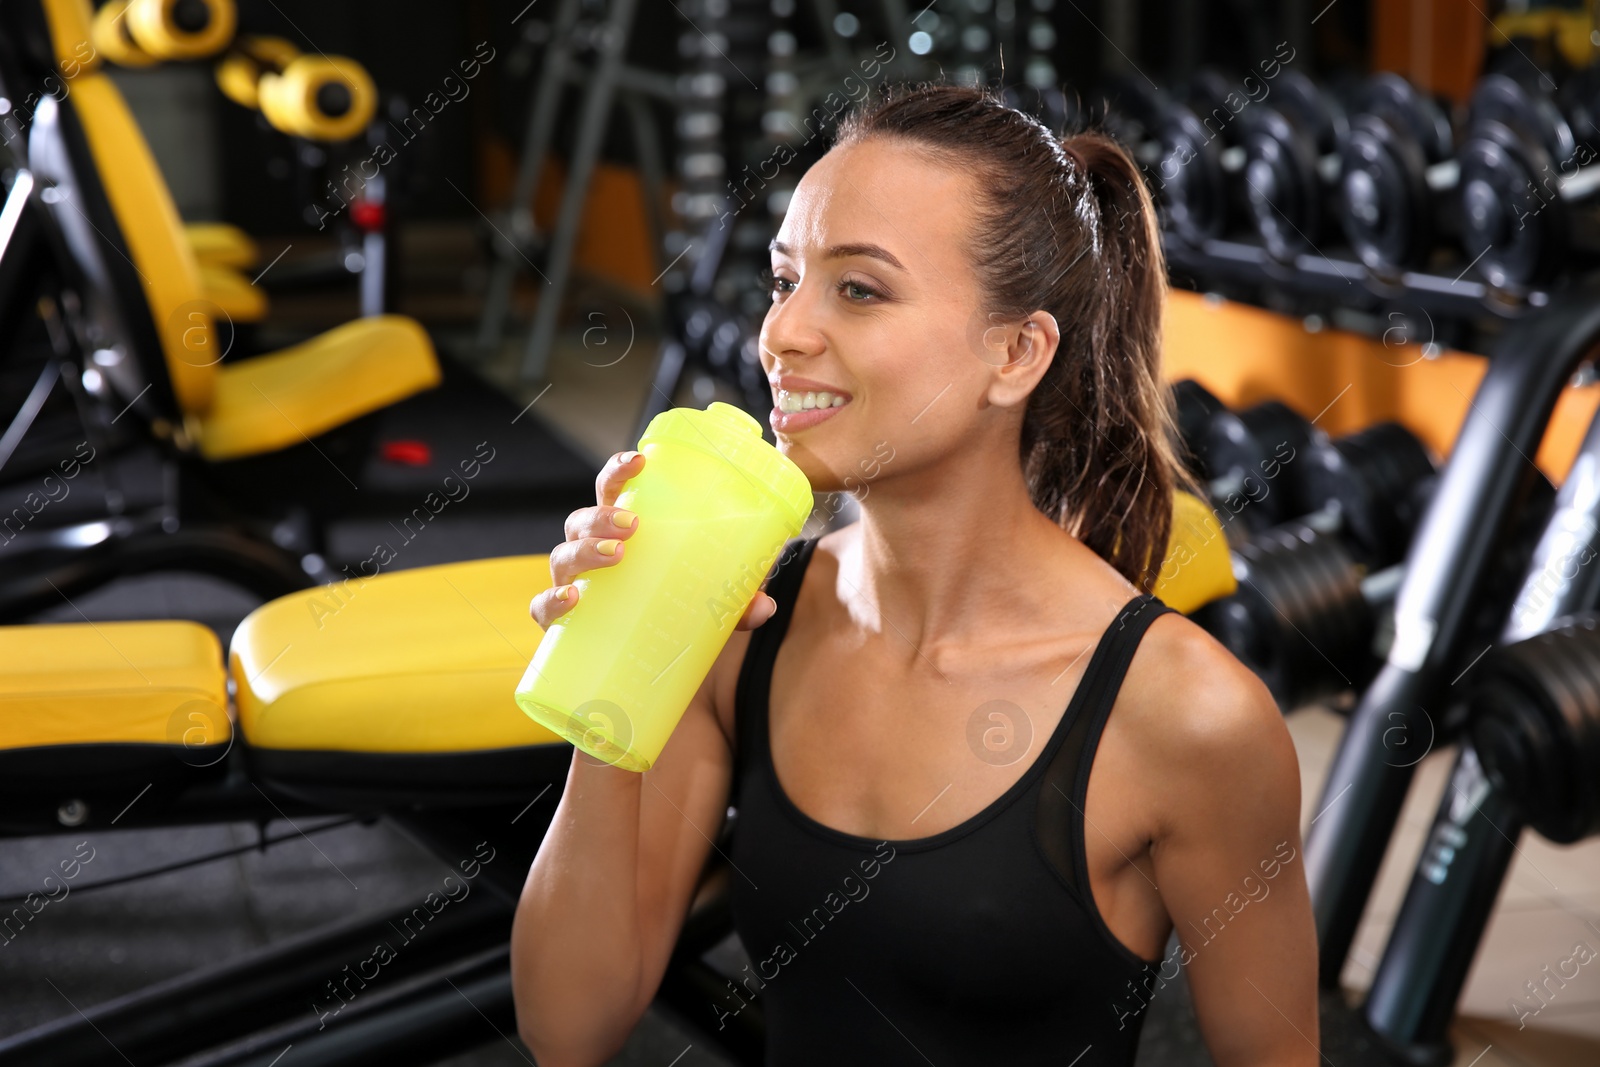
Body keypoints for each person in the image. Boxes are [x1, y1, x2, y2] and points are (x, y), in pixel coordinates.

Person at [511, 82, 1316, 1066]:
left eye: (857, 288)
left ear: (1014, 353)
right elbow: (566, 1027)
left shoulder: (1191, 718)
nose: (782, 333)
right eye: (782, 279)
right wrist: (619, 665)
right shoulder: (740, 624)